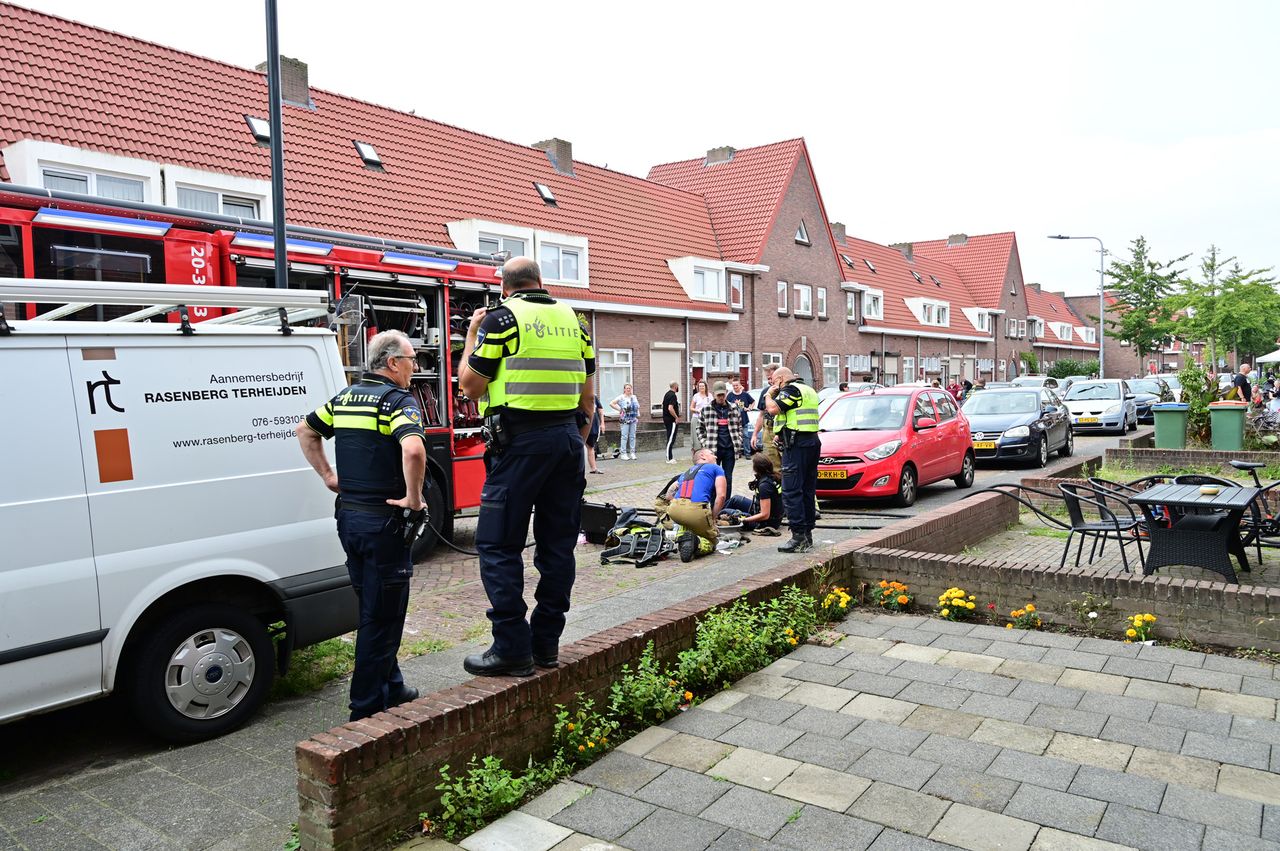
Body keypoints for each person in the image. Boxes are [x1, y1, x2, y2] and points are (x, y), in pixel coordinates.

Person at [456, 256, 593, 677]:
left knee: (498, 545)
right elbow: (587, 397)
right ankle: (546, 645)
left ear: (504, 287)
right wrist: (576, 442)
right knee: (557, 547)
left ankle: (511, 647)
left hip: (518, 444)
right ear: (541, 281)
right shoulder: (577, 322)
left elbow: (469, 385)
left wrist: (471, 335)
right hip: (567, 440)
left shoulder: (502, 319)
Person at [295, 329, 425, 721]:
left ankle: (393, 685)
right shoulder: (396, 401)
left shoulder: (346, 397)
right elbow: (414, 448)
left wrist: (328, 477)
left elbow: (305, 430)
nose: (414, 368)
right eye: (411, 360)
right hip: (383, 523)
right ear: (392, 363)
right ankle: (365, 709)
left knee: (372, 606)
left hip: (349, 519)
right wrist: (414, 499)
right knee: (382, 618)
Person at [765, 366, 820, 553]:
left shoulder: (791, 390)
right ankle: (808, 534)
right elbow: (796, 416)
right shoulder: (809, 390)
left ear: (781, 379)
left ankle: (798, 536)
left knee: (790, 490)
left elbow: (773, 409)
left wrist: (768, 394)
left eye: (773, 381)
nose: (772, 385)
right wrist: (781, 434)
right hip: (810, 442)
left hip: (797, 448)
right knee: (806, 489)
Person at [661, 448, 727, 561]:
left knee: (687, 525)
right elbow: (721, 497)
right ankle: (696, 543)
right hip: (696, 510)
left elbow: (668, 495)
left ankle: (678, 538)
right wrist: (713, 518)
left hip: (674, 510)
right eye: (712, 454)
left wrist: (678, 504)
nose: (716, 457)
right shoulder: (716, 468)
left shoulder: (686, 472)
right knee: (712, 541)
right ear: (703, 456)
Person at [725, 453, 783, 535]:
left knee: (725, 512)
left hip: (766, 522)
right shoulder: (771, 476)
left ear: (756, 468)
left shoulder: (765, 486)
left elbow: (765, 515)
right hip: (763, 510)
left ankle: (717, 524)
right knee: (735, 499)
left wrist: (744, 520)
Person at [700, 382, 744, 492]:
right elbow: (699, 428)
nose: (721, 397)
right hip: (713, 450)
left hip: (730, 449)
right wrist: (705, 443)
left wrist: (739, 440)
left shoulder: (734, 408)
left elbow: (740, 427)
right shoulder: (706, 409)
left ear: (726, 393)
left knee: (727, 478)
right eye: (718, 395)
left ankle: (726, 505)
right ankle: (714, 504)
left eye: (723, 395)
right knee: (713, 478)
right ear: (713, 394)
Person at [752, 363, 783, 472]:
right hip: (767, 431)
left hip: (781, 431)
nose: (770, 381)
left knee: (785, 464)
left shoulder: (785, 392)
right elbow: (761, 414)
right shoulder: (765, 392)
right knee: (771, 464)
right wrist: (755, 434)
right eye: (768, 378)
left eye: (771, 378)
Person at [726, 378, 755, 459]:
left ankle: (747, 453)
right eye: (733, 386)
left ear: (740, 385)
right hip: (733, 420)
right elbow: (726, 405)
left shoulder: (745, 394)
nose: (735, 387)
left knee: (745, 436)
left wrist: (750, 408)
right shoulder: (730, 395)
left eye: (736, 385)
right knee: (734, 437)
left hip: (744, 419)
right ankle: (736, 453)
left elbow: (753, 402)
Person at [610, 383, 640, 460]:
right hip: (625, 419)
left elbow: (637, 407)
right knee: (624, 436)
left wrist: (638, 414)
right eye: (627, 388)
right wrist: (620, 409)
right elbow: (612, 403)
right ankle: (623, 453)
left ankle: (632, 453)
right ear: (624, 389)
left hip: (633, 418)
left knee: (632, 436)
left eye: (630, 388)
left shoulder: (634, 397)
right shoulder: (621, 397)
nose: (628, 389)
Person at [662, 381, 681, 464]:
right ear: (675, 386)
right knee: (671, 439)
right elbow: (670, 408)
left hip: (666, 419)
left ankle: (670, 456)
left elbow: (664, 406)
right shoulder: (673, 395)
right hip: (671, 420)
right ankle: (669, 458)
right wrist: (676, 417)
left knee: (670, 437)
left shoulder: (666, 394)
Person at [585, 397, 605, 474]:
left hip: (593, 424)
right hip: (582, 423)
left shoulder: (594, 397)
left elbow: (600, 410)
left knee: (591, 446)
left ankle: (594, 468)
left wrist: (602, 423)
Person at [689, 380, 711, 448]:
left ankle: (706, 450)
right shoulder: (696, 396)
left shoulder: (709, 396)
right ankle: (697, 450)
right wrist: (697, 410)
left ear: (705, 387)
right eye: (700, 386)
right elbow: (691, 408)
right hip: (696, 417)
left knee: (706, 434)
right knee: (696, 435)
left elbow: (713, 406)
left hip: (706, 419)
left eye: (703, 386)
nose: (701, 387)